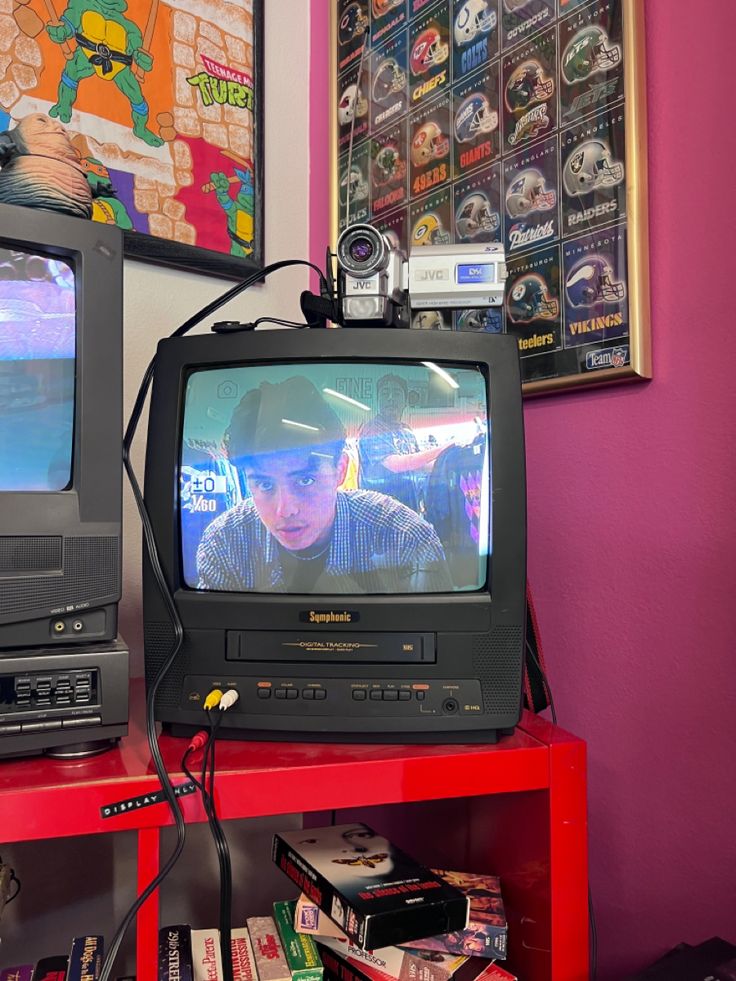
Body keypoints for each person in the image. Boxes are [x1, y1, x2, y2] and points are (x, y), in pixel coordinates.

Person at [196, 376, 452, 594]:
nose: (285, 510)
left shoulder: (405, 539)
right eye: (264, 485)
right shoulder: (225, 543)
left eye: (305, 480)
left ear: (340, 470)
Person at [357, 373, 450, 512]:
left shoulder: (407, 430)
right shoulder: (373, 429)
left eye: (396, 393)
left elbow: (420, 465)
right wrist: (444, 448)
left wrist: (451, 461)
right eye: (385, 393)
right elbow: (396, 465)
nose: (390, 398)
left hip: (408, 509)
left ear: (405, 401)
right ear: (378, 399)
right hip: (381, 514)